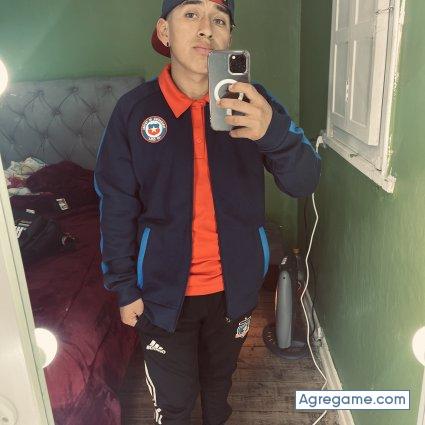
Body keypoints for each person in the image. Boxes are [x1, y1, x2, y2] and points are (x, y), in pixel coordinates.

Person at [93, 0, 321, 423]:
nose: (206, 28)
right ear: (164, 32)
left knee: (219, 386)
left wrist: (273, 132)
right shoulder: (134, 111)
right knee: (174, 402)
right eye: (190, 14)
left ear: (229, 37)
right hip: (160, 294)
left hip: (234, 290)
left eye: (219, 19)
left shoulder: (254, 103)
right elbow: (116, 205)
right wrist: (124, 287)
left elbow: (303, 181)